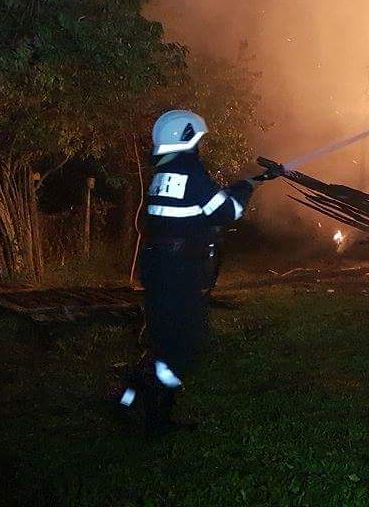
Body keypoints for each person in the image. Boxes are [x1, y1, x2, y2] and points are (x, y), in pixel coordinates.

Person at [116, 109, 282, 435]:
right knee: (185, 346)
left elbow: (194, 211)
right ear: (186, 138)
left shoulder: (162, 174)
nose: (199, 146)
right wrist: (246, 188)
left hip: (159, 269)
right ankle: (153, 413)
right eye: (197, 139)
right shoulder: (190, 172)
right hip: (180, 273)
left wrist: (245, 182)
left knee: (163, 340)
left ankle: (130, 400)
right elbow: (226, 211)